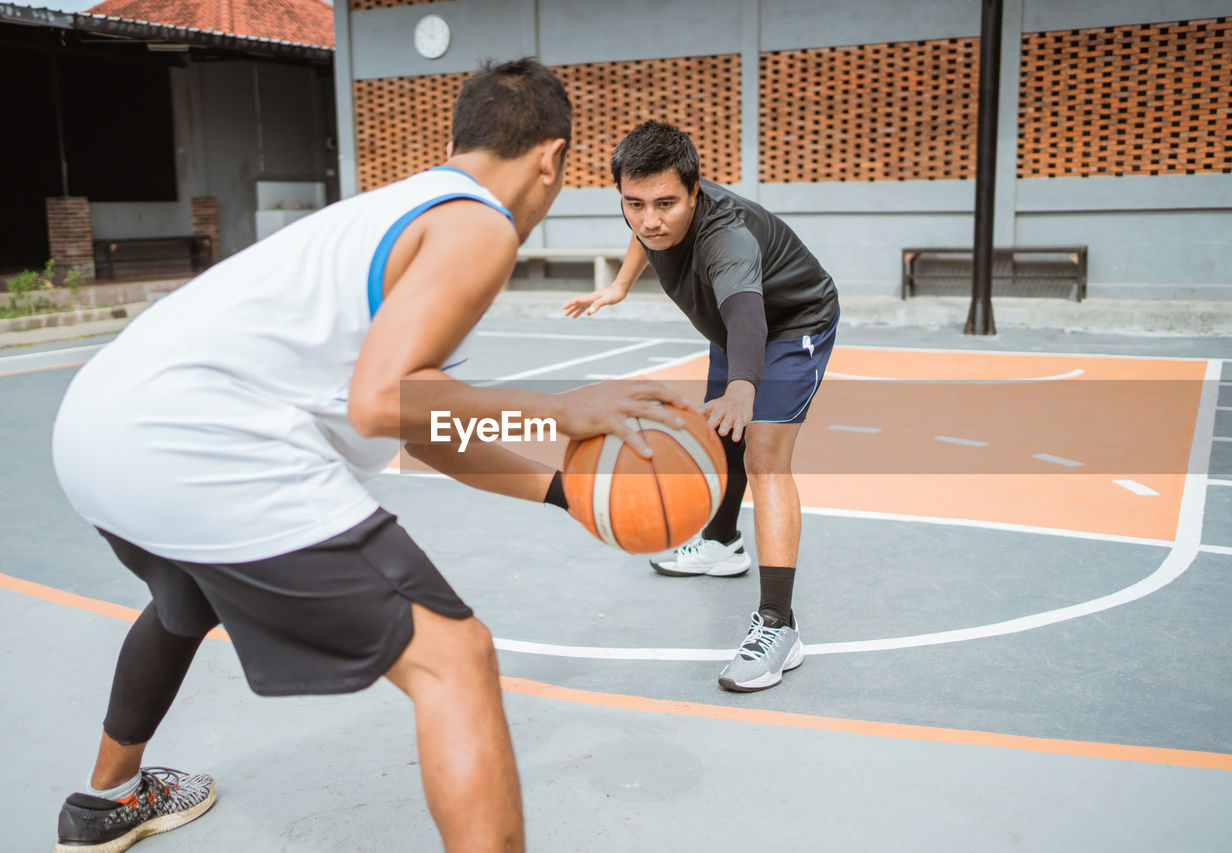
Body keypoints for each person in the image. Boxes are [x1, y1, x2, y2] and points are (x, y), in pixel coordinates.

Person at [50, 59, 689, 853]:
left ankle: (106, 799)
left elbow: (425, 423)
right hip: (204, 442)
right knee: (457, 658)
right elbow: (379, 401)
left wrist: (564, 490)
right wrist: (561, 408)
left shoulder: (396, 208)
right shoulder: (479, 222)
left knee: (185, 598)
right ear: (551, 158)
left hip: (98, 428)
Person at [564, 120, 840, 693]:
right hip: (731, 328)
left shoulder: (728, 238)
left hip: (791, 323)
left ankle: (779, 626)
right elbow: (644, 238)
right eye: (633, 203)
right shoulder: (652, 219)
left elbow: (747, 312)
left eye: (665, 203)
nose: (649, 219)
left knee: (763, 454)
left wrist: (744, 383)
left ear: (696, 190)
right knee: (723, 438)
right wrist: (618, 286)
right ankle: (720, 543)